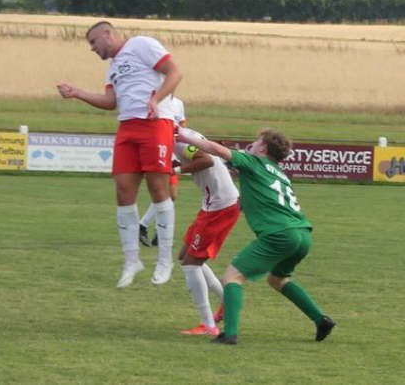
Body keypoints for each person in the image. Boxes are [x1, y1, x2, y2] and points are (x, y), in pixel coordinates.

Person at [177, 127, 336, 344]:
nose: (251, 144)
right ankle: (321, 320)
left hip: (279, 234)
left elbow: (216, 150)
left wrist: (184, 136)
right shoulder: (278, 173)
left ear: (263, 148)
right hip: (303, 234)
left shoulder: (254, 162)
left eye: (255, 142)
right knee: (278, 279)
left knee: (232, 277)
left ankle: (229, 333)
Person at [57, 21, 183, 288]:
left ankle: (164, 260)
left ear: (107, 34)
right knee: (124, 193)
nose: (92, 49)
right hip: (127, 127)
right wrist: (77, 93)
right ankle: (131, 260)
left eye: (93, 42)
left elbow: (174, 72)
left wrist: (155, 99)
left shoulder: (141, 44)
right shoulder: (112, 68)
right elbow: (110, 102)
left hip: (155, 123)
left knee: (158, 189)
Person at [171, 128, 240, 336]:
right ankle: (226, 303)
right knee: (185, 257)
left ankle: (208, 325)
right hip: (214, 204)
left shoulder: (178, 139)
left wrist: (173, 171)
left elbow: (207, 160)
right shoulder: (181, 134)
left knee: (191, 264)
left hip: (220, 206)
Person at [139, 95, 187, 248]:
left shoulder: (178, 103)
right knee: (166, 194)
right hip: (160, 150)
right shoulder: (152, 100)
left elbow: (182, 129)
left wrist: (181, 153)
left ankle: (153, 230)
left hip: (172, 152)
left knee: (170, 195)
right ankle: (146, 227)